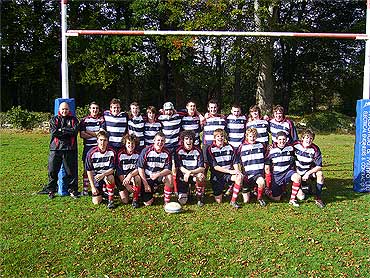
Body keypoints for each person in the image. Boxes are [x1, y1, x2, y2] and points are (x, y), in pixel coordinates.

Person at [44, 102, 79, 199]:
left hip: (70, 149)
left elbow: (74, 131)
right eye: (63, 109)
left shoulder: (73, 119)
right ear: (59, 109)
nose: (64, 111)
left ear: (69, 110)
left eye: (66, 109)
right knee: (52, 170)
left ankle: (72, 190)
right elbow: (54, 132)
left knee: (71, 171)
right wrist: (67, 130)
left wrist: (61, 130)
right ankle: (51, 190)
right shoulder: (54, 119)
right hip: (55, 149)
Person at [206, 129, 243, 209]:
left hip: (228, 174)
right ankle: (228, 188)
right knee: (219, 201)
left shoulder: (230, 147)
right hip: (217, 175)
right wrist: (230, 171)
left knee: (239, 177)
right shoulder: (210, 149)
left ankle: (233, 201)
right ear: (214, 138)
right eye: (218, 136)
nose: (220, 138)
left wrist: (237, 171)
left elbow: (235, 162)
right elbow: (215, 167)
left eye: (222, 136)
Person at [265, 131, 302, 207]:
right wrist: (269, 182)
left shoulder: (290, 148)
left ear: (287, 139)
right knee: (277, 199)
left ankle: (292, 200)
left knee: (297, 177)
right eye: (280, 139)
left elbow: (296, 158)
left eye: (284, 139)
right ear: (276, 140)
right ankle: (267, 191)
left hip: (287, 173)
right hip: (277, 176)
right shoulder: (271, 150)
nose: (282, 141)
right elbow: (267, 167)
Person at [137, 132, 174, 206]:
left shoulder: (167, 152)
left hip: (159, 176)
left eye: (162, 141)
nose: (160, 143)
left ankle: (167, 202)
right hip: (148, 177)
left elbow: (169, 169)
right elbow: (140, 168)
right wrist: (145, 184)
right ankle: (149, 191)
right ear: (154, 140)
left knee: (169, 177)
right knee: (148, 203)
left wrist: (158, 174)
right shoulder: (146, 151)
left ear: (165, 142)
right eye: (158, 140)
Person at [293, 129, 325, 208]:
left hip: (308, 171)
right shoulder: (295, 144)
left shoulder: (315, 149)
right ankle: (303, 187)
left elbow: (319, 166)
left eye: (311, 138)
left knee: (320, 174)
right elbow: (283, 145)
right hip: (297, 172)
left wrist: (308, 173)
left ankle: (318, 198)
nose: (309, 140)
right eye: (307, 138)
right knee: (301, 197)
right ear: (302, 138)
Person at [235, 128, 267, 207]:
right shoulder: (242, 147)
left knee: (261, 182)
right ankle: (250, 191)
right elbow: (236, 160)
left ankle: (259, 198)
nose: (252, 138)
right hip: (247, 175)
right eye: (250, 136)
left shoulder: (261, 145)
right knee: (246, 201)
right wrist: (239, 171)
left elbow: (267, 155)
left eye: (254, 136)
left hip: (257, 173)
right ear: (246, 136)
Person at [85, 130, 116, 209]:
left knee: (111, 177)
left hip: (106, 174)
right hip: (96, 176)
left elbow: (112, 169)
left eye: (105, 140)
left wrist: (103, 174)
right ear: (97, 141)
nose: (102, 143)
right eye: (101, 140)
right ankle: (102, 190)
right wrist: (92, 186)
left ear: (107, 141)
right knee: (96, 202)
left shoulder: (112, 152)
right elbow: (89, 170)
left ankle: (110, 200)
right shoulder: (91, 153)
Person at [79, 101, 105, 196]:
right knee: (87, 169)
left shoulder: (102, 120)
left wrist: (88, 131)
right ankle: (85, 190)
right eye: (93, 108)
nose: (95, 110)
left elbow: (101, 134)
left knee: (101, 168)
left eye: (97, 108)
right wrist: (96, 134)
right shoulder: (84, 120)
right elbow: (82, 134)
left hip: (99, 148)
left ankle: (102, 189)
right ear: (90, 109)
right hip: (88, 148)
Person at [174, 130, 206, 206]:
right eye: (186, 139)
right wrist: (187, 173)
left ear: (193, 140)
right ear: (183, 140)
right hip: (183, 176)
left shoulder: (198, 150)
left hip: (194, 175)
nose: (189, 141)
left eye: (191, 139)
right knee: (183, 202)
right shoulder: (178, 151)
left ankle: (199, 197)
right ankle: (187, 191)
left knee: (201, 176)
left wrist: (190, 172)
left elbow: (201, 168)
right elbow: (180, 167)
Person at [116, 134, 141, 208]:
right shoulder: (120, 154)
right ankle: (126, 191)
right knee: (125, 201)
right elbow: (119, 171)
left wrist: (130, 175)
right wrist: (127, 185)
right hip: (123, 179)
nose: (131, 145)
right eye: (128, 143)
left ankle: (135, 199)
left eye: (132, 143)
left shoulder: (138, 154)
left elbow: (139, 169)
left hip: (132, 177)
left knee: (137, 178)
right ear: (125, 144)